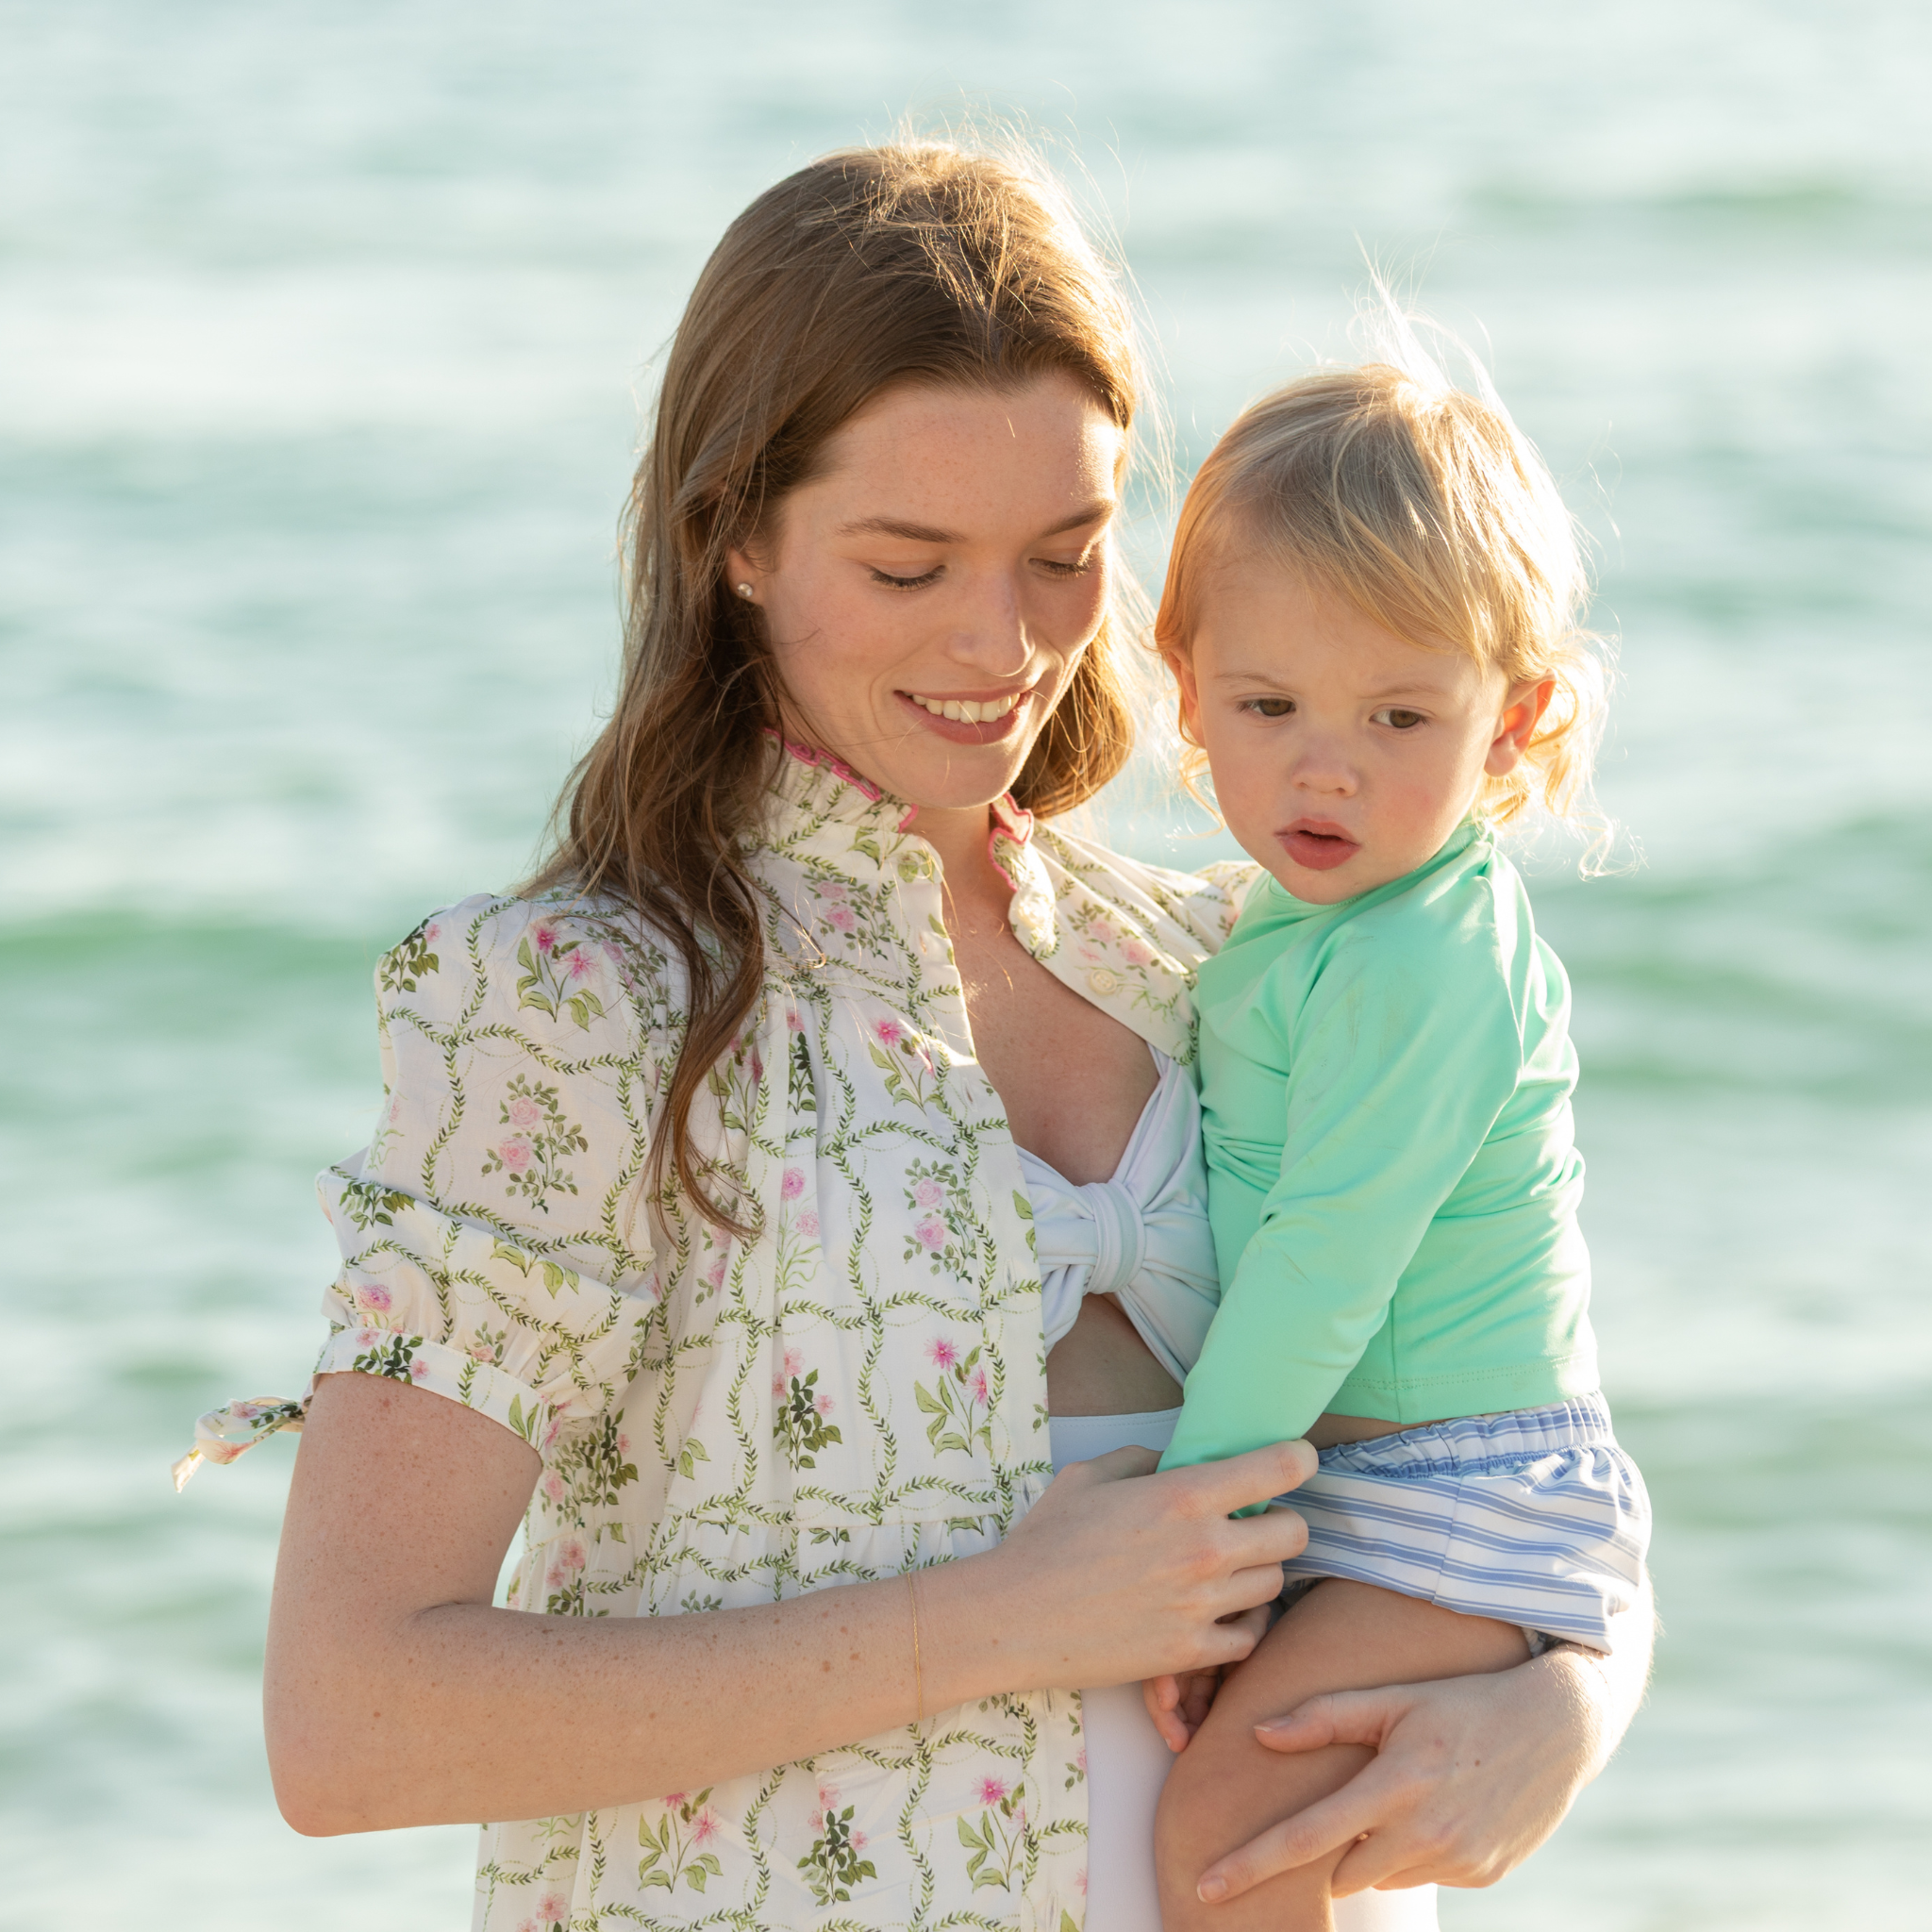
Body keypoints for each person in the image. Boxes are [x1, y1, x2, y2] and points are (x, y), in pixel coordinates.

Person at [174, 143, 1652, 1932]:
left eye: (1063, 557)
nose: (999, 641)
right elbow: (348, 1726)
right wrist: (993, 1625)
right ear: (735, 532)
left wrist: (1572, 1701)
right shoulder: (572, 1013)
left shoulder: (1211, 959)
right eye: (905, 565)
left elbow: (1499, 1418)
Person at [1142, 346, 1652, 1929]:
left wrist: (1194, 1530)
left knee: (1234, 1839)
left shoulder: (1429, 958)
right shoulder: (1292, 922)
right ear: (1184, 683)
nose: (1326, 764)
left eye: (1400, 715)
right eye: (1268, 704)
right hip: (1376, 1484)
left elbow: (1322, 1268)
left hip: (1458, 1487)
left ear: (1517, 721)